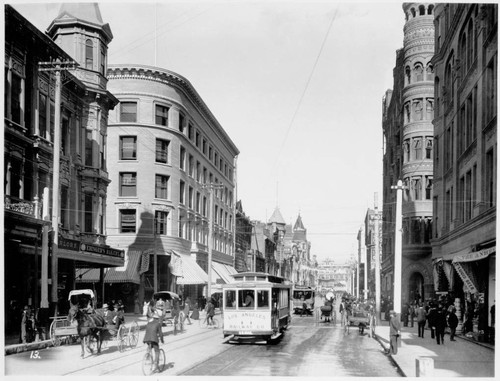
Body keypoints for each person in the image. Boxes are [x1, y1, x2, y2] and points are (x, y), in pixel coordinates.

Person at [143, 308, 164, 373]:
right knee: (157, 351)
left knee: (149, 346)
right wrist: (162, 340)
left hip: (146, 339)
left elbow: (147, 331)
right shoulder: (158, 324)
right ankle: (156, 364)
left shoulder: (148, 323)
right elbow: (160, 334)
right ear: (158, 319)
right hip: (154, 339)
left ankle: (147, 356)